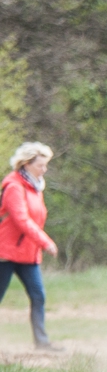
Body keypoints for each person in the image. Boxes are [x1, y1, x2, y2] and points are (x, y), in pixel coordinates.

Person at [0, 142, 61, 351]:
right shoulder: (14, 186)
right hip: (6, 252)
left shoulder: (35, 186)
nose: (44, 170)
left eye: (46, 165)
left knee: (38, 296)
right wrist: (46, 241)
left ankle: (42, 343)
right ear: (26, 164)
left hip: (27, 253)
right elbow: (21, 220)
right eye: (40, 165)